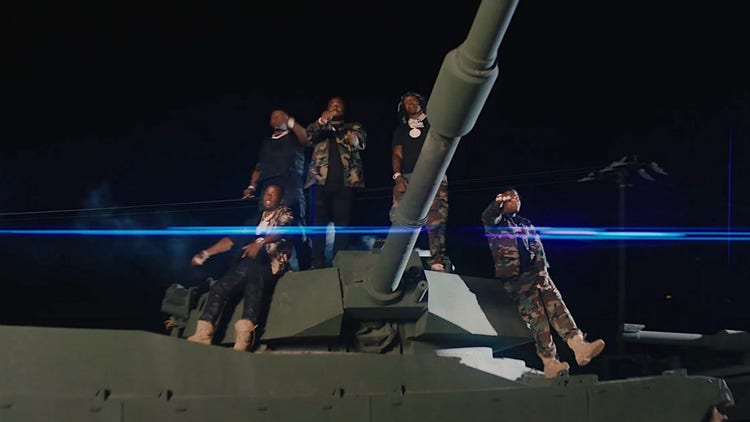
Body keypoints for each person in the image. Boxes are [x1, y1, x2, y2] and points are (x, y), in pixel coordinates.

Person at [481, 188, 605, 378]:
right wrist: (497, 203)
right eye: (511, 198)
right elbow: (489, 216)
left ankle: (579, 346)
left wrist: (542, 272)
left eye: (517, 197)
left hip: (536, 274)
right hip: (516, 280)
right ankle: (550, 362)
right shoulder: (496, 224)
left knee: (557, 306)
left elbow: (537, 249)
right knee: (538, 318)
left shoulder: (525, 224)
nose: (516, 200)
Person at [187, 184, 294, 351]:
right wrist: (206, 253)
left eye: (274, 194)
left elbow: (282, 230)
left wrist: (260, 242)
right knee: (219, 288)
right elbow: (230, 240)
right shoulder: (253, 221)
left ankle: (244, 339)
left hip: (269, 264)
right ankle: (203, 333)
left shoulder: (285, 215)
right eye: (267, 193)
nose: (269, 196)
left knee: (253, 287)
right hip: (246, 264)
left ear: (280, 200)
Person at [242, 109, 312, 271]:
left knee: (295, 223)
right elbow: (259, 167)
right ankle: (265, 265)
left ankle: (306, 265)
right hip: (269, 185)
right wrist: (252, 186)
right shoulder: (266, 143)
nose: (276, 119)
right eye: (273, 117)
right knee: (265, 223)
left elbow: (307, 139)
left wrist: (291, 123)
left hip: (290, 184)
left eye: (280, 116)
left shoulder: (294, 137)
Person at [390, 91, 449, 271]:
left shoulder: (434, 124)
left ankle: (437, 259)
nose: (409, 102)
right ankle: (396, 258)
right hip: (408, 176)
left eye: (413, 99)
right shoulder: (401, 130)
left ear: (421, 102)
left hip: (434, 176)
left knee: (436, 218)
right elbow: (397, 154)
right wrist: (398, 176)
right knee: (398, 215)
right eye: (406, 101)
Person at [305, 96, 367, 268]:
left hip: (345, 184)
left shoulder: (353, 127)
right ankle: (317, 261)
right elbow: (307, 137)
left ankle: (339, 262)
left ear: (344, 109)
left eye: (338, 105)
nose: (335, 107)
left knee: (342, 225)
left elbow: (360, 142)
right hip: (319, 182)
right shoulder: (319, 127)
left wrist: (351, 137)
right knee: (318, 224)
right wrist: (321, 121)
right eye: (331, 105)